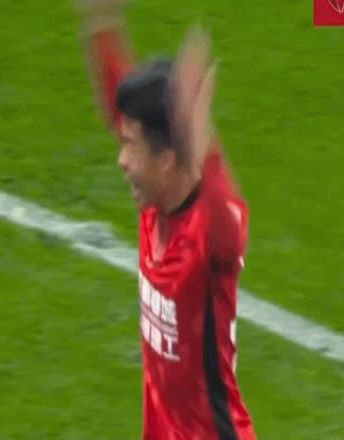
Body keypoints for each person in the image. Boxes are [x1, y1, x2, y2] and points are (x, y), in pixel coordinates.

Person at [77, 1, 257, 438]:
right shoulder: (156, 200)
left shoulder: (207, 233)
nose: (121, 161)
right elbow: (122, 109)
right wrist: (103, 22)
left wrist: (204, 138)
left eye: (131, 147)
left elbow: (227, 226)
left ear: (168, 160)